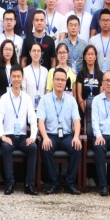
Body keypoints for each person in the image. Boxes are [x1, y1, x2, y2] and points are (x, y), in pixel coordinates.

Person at [37, 67, 83, 195]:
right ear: (53, 81)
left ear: (66, 82)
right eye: (57, 79)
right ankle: (54, 183)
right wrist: (45, 137)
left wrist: (76, 137)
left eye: (62, 80)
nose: (60, 82)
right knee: (45, 148)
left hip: (67, 136)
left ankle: (70, 183)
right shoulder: (45, 99)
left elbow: (77, 121)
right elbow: (40, 121)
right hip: (51, 135)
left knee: (77, 147)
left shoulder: (71, 100)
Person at [0, 65, 38, 195]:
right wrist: (2, 136)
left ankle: (29, 185)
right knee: (5, 147)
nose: (16, 79)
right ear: (10, 78)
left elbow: (33, 118)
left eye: (19, 76)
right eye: (14, 76)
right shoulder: (4, 98)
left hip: (23, 137)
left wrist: (33, 137)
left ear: (22, 78)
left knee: (33, 147)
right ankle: (10, 183)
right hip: (9, 136)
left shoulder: (27, 98)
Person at [75, 45, 105, 121]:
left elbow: (101, 95)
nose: (90, 57)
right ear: (84, 57)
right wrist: (84, 110)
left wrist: (95, 111)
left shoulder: (100, 75)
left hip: (97, 110)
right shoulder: (81, 74)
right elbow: (79, 95)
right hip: (83, 109)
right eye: (88, 54)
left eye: (92, 54)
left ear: (95, 57)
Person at [21, 41, 49, 108]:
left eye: (38, 51)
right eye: (34, 51)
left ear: (41, 53)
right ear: (30, 53)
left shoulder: (45, 71)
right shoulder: (25, 71)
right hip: (28, 108)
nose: (36, 53)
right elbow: (23, 91)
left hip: (42, 108)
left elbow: (47, 91)